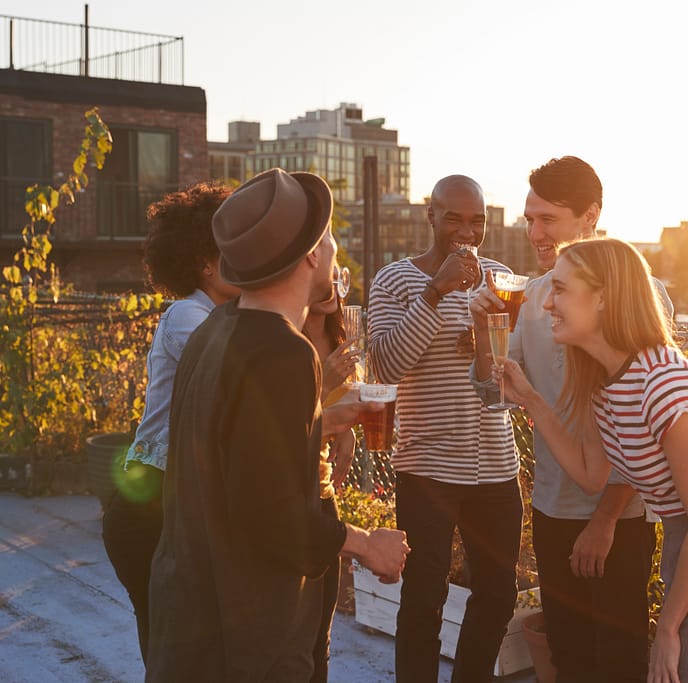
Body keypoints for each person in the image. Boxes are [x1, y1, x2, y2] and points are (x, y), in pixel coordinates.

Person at [145, 168, 409, 682]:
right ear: (311, 255)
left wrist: (323, 422)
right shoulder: (284, 353)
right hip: (250, 633)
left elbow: (239, 459)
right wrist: (366, 543)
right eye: (330, 238)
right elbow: (274, 515)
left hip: (193, 613)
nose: (335, 250)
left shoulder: (217, 330)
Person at [497, 238, 688, 683]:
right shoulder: (603, 381)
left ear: (604, 297)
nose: (549, 302)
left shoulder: (665, 384)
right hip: (687, 540)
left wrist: (667, 628)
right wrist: (530, 399)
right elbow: (593, 476)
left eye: (562, 290)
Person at [470, 157, 668, 682]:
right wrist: (482, 329)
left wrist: (605, 519)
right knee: (569, 655)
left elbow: (648, 429)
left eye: (547, 220)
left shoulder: (639, 296)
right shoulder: (530, 298)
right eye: (529, 219)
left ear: (590, 216)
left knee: (621, 658)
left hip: (618, 519)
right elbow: (493, 393)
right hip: (553, 509)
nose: (534, 232)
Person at [367, 175, 522, 682]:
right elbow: (386, 367)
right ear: (429, 216)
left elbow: (504, 377)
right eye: (453, 217)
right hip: (428, 464)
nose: (466, 230)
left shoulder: (501, 278)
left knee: (499, 595)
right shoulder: (396, 281)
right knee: (424, 598)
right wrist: (435, 294)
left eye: (476, 220)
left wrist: (482, 339)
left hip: (496, 464)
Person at [101, 181, 237, 662]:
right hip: (148, 505)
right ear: (205, 261)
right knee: (170, 652)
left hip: (177, 502)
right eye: (234, 253)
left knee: (187, 652)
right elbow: (240, 377)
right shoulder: (188, 315)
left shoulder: (223, 314)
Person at [302, 269, 363, 683]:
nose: (330, 284)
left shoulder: (342, 338)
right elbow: (285, 422)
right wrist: (324, 388)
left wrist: (349, 430)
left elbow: (335, 412)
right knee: (294, 637)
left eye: (335, 276)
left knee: (320, 635)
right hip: (292, 496)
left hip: (323, 492)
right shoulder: (287, 343)